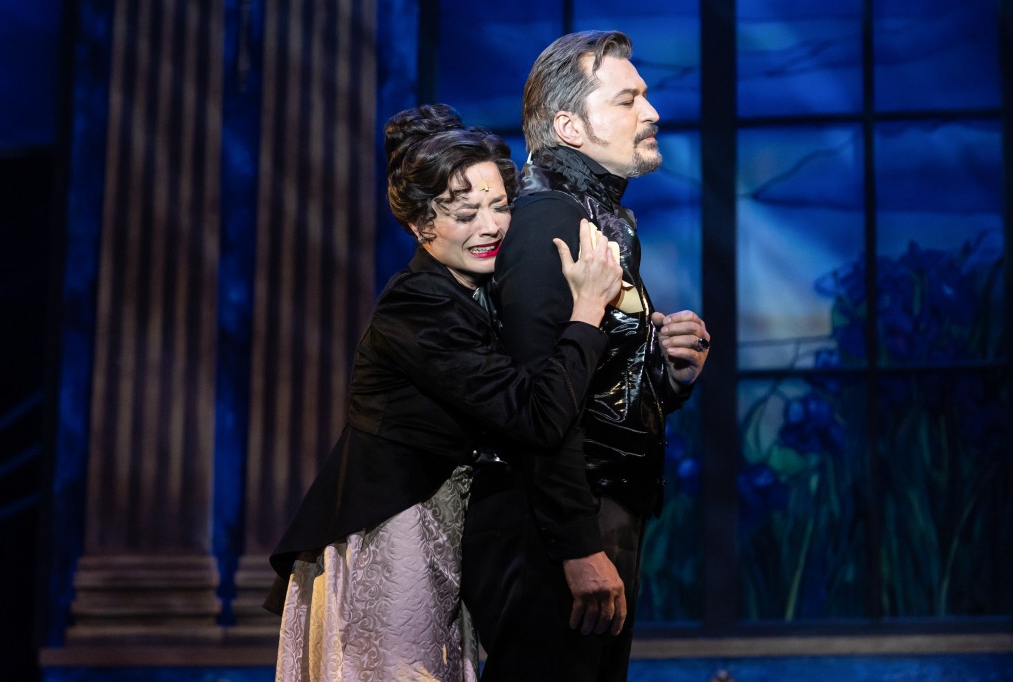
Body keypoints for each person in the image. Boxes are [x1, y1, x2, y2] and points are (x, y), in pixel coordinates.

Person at [265, 103, 624, 682]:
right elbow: (537, 416)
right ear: (419, 225)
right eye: (465, 213)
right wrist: (586, 312)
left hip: (444, 528)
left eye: (500, 206)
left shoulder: (477, 290)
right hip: (393, 531)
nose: (491, 226)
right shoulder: (419, 304)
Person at [461, 31, 711, 681]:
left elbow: (590, 389)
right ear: (569, 127)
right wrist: (577, 546)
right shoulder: (549, 222)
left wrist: (667, 376)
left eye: (645, 96)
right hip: (552, 529)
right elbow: (534, 402)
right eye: (627, 100)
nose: (651, 112)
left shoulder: (595, 217)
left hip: (590, 515)